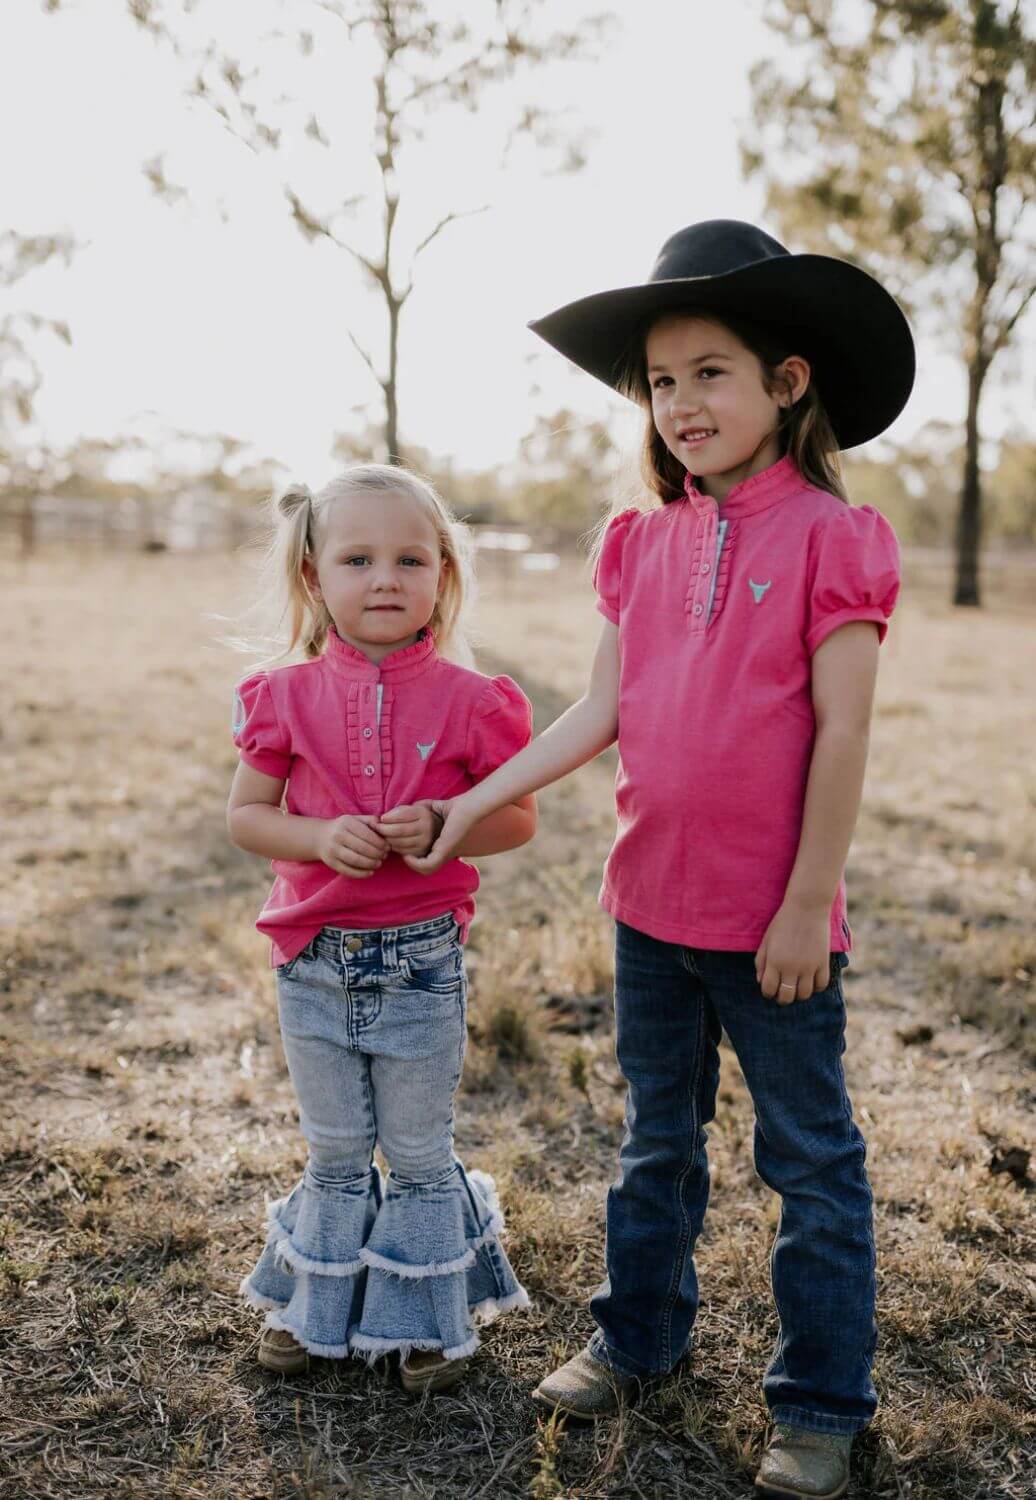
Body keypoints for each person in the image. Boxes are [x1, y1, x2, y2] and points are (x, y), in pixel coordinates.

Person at [409, 221, 914, 1497]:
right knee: (653, 1143)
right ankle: (634, 1341)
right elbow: (600, 713)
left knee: (809, 1166)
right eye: (661, 379)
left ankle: (817, 1407)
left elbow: (843, 730)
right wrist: (472, 803)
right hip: (649, 911)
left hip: (773, 930)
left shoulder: (832, 538)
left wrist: (808, 903)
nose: (680, 402)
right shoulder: (639, 541)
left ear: (786, 382)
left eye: (710, 372)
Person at [227, 463, 535, 1393]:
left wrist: (449, 823)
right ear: (316, 577)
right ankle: (315, 1304)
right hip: (310, 962)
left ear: (443, 573)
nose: (386, 579)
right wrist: (318, 834)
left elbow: (516, 820)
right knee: (332, 1151)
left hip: (420, 964)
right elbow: (248, 816)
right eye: (358, 559)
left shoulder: (475, 701)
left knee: (415, 1154)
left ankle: (429, 1319)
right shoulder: (281, 695)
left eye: (410, 558)